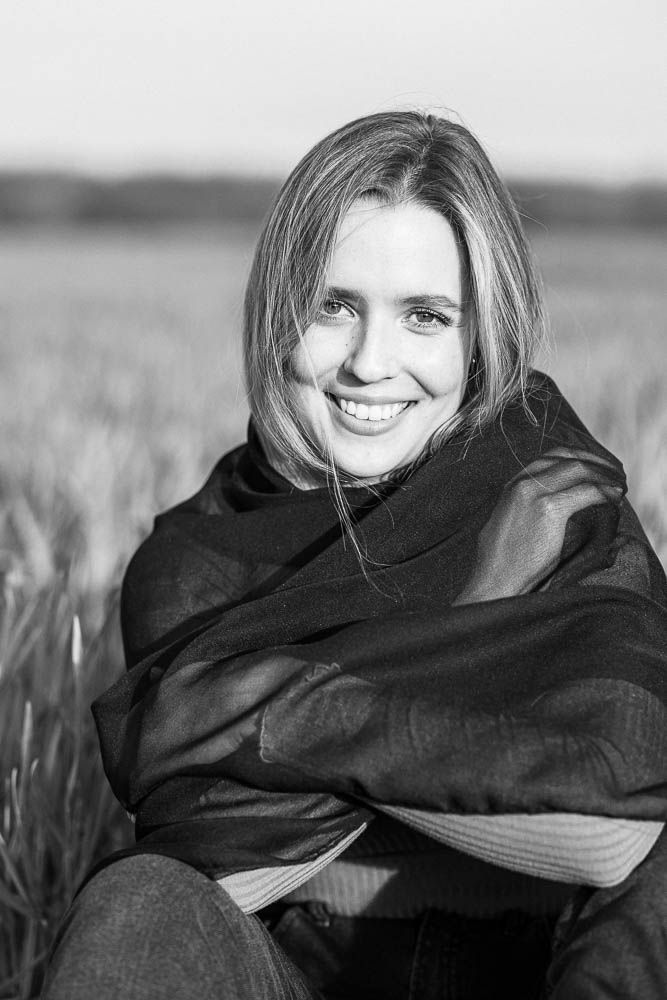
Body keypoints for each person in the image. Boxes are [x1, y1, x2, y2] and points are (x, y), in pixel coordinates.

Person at [42, 112, 667, 1000]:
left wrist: (269, 706)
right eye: (334, 306)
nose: (371, 363)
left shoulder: (554, 498)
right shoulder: (194, 563)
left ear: (480, 334)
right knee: (142, 899)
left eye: (424, 316)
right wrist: (475, 609)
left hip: (550, 963)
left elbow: (609, 813)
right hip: (293, 970)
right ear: (277, 312)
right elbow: (214, 838)